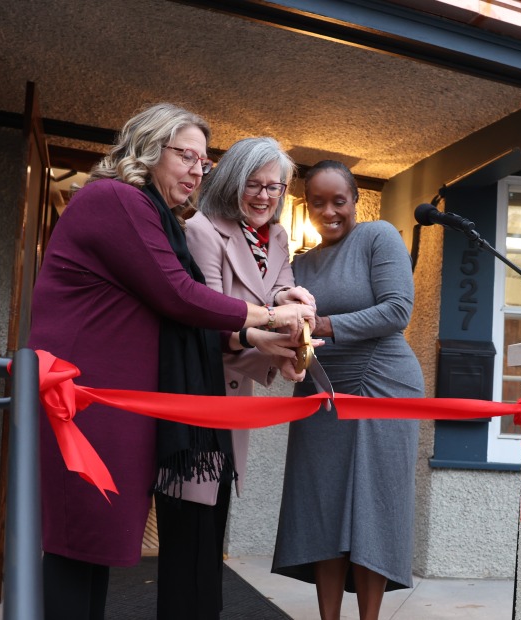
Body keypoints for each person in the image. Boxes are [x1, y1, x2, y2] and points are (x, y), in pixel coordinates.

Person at [28, 102, 314, 620]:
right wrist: (269, 317)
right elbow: (178, 294)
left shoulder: (149, 211)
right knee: (77, 547)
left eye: (203, 162)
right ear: (148, 147)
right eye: (187, 156)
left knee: (92, 550)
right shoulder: (116, 199)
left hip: (115, 403)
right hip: (87, 400)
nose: (197, 171)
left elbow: (172, 309)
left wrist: (255, 333)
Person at [156, 135, 316, 618]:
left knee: (214, 524)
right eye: (255, 184)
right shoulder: (204, 229)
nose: (266, 196)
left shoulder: (280, 237)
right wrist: (269, 325)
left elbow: (281, 291)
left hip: (234, 397)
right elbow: (208, 316)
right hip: (196, 389)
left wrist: (298, 307)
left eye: (276, 187)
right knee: (187, 530)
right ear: (232, 181)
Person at [271, 160, 424, 620]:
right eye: (318, 202)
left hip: (383, 383)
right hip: (321, 390)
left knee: (373, 505)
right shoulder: (300, 264)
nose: (329, 211)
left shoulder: (379, 237)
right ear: (306, 205)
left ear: (356, 199)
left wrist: (324, 324)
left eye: (339, 200)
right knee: (322, 502)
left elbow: (398, 309)